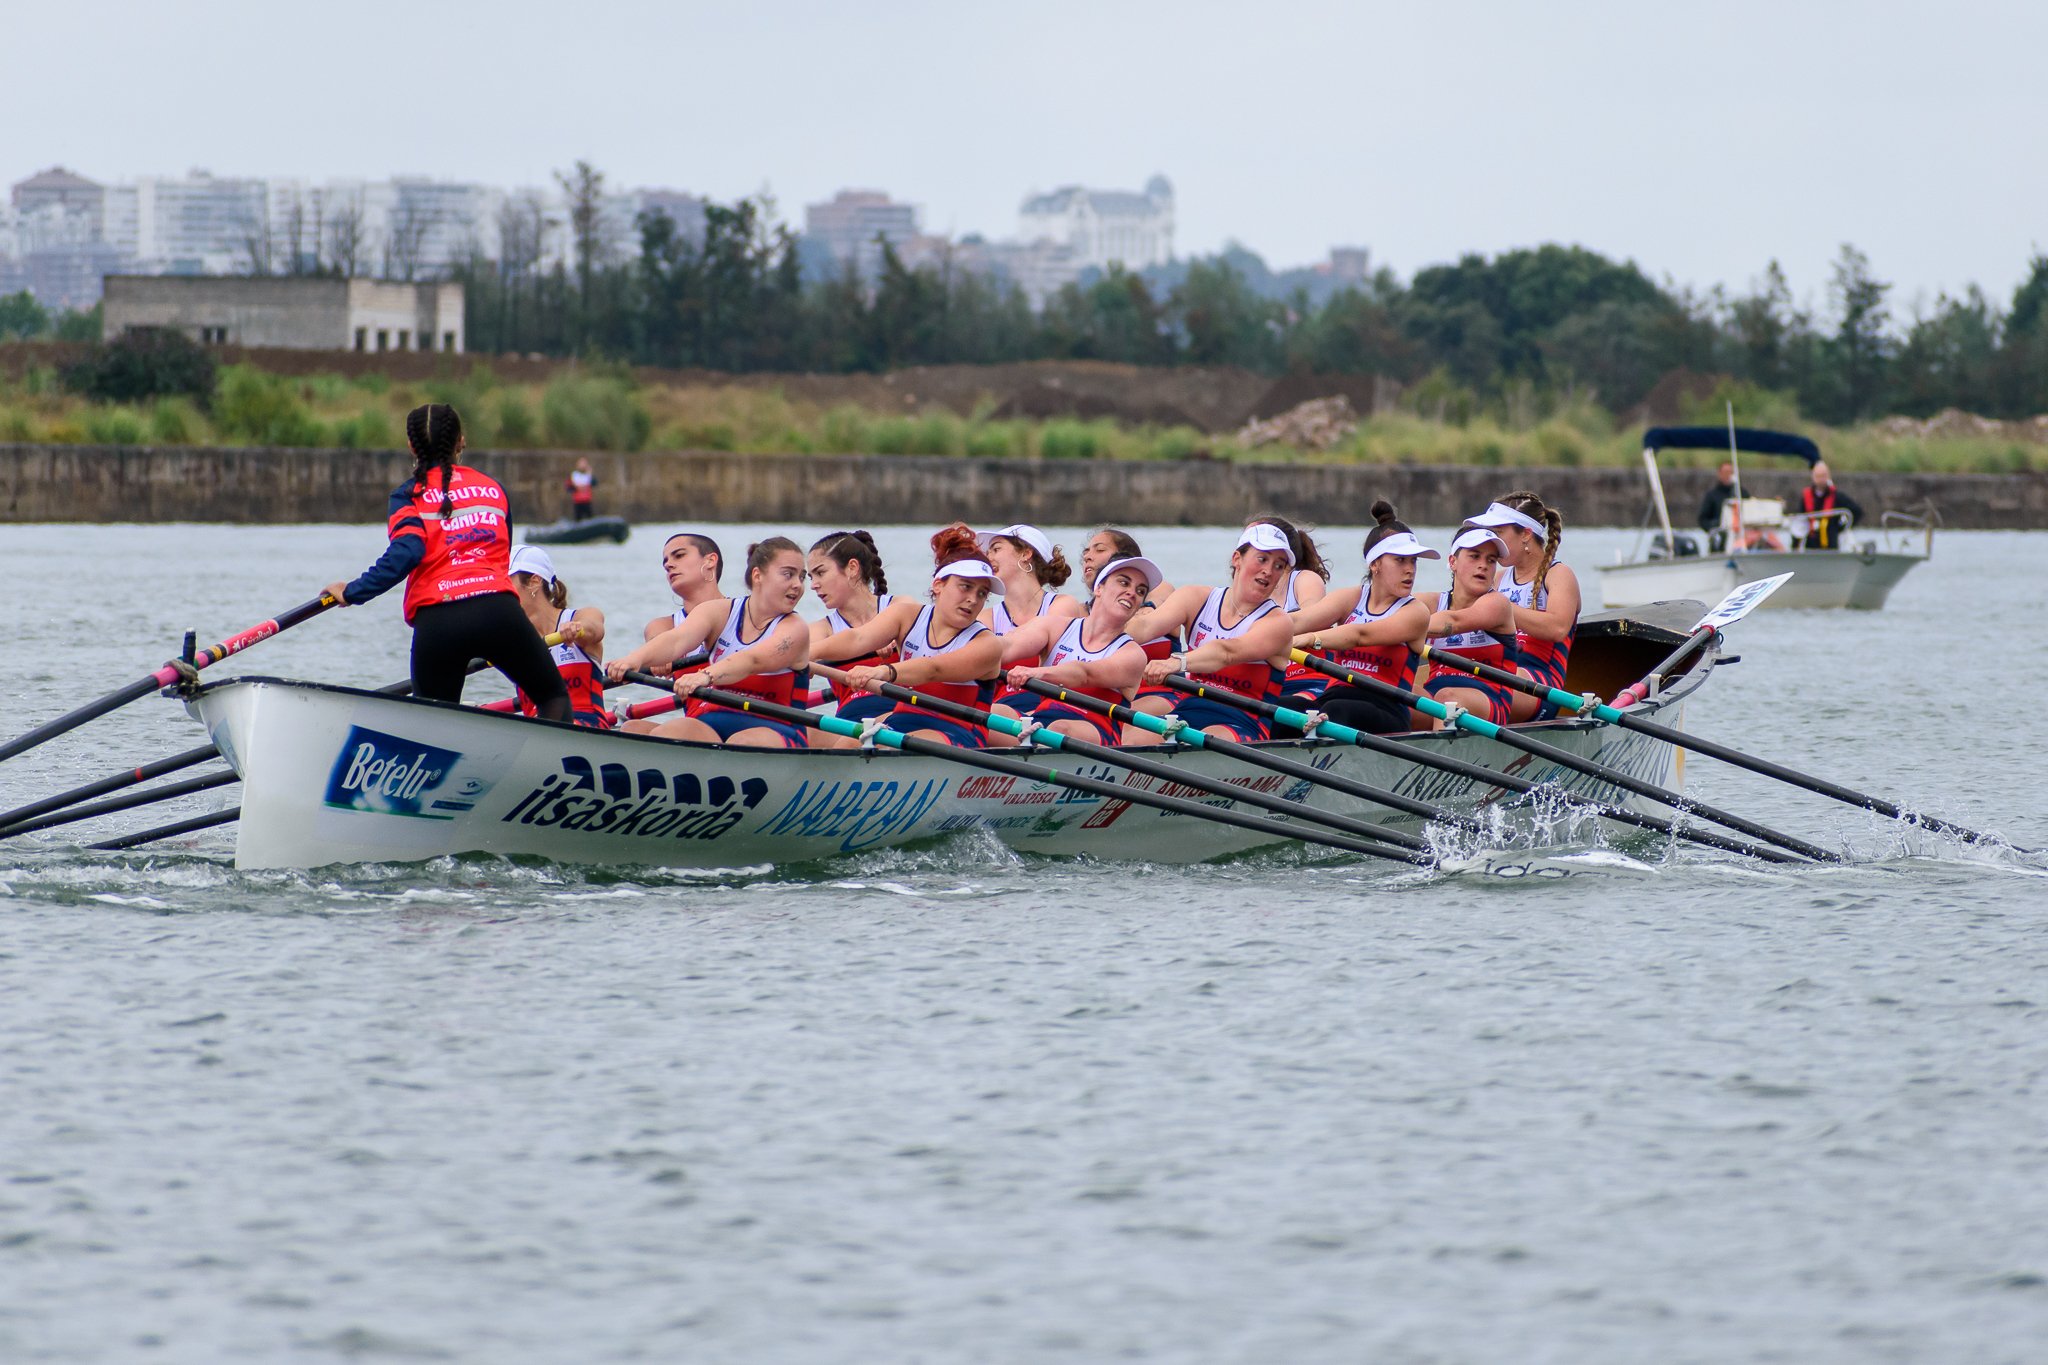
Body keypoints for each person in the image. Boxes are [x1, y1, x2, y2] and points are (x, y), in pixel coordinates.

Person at [319, 403, 569, 721]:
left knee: (435, 723)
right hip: (498, 612)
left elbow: (407, 552)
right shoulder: (493, 489)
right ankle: (553, 754)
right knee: (553, 696)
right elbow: (502, 555)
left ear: (411, 446)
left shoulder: (408, 496)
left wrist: (353, 591)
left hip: (439, 622)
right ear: (461, 441)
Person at [809, 524, 1005, 748]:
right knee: (845, 746)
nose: (973, 599)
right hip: (903, 719)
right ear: (938, 585)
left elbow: (933, 669)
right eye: (965, 587)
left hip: (956, 731)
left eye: (982, 593)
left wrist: (882, 671)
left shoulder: (987, 644)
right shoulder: (907, 615)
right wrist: (806, 654)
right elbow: (857, 638)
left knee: (882, 745)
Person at [605, 538, 811, 747]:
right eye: (788, 574)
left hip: (776, 729)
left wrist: (705, 676)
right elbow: (676, 640)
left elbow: (753, 660)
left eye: (802, 577)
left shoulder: (795, 629)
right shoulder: (719, 611)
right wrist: (634, 660)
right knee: (644, 729)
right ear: (757, 575)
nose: (798, 585)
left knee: (741, 741)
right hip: (711, 724)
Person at [1119, 523, 1297, 744]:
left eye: (1279, 566)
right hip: (1188, 711)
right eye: (1262, 559)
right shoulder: (1195, 598)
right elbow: (1144, 627)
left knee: (1203, 740)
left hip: (1243, 721)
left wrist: (1176, 662)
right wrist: (1100, 634)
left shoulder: (1278, 622)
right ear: (1237, 559)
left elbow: (1227, 652)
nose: (1269, 571)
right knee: (1129, 737)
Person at [1288, 501, 1436, 735]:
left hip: (1386, 708)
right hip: (1334, 698)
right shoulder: (1350, 597)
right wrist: (1252, 631)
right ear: (1375, 564)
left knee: (1336, 710)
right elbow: (1298, 621)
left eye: (1413, 560)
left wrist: (1308, 639)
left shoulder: (1415, 612)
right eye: (1400, 560)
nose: (1410, 569)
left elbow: (1359, 635)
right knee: (1285, 707)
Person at [988, 555, 1157, 745]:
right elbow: (1008, 645)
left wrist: (1036, 672)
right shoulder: (1055, 626)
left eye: (1140, 591)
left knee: (1060, 729)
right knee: (993, 712)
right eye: (1124, 583)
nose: (1132, 593)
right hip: (1042, 721)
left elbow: (1084, 674)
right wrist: (972, 649)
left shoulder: (1132, 655)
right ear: (1099, 588)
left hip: (1095, 731)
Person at [1467, 491, 1580, 723]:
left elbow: (1557, 628)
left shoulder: (1558, 575)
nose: (1493, 542)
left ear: (1526, 535)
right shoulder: (1498, 579)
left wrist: (1501, 609)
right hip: (1500, 671)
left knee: (1471, 683)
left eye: (1498, 532)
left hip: (1542, 687)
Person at [1416, 526, 1518, 728]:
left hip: (1489, 698)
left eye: (1491, 560)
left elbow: (1453, 622)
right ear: (1452, 562)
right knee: (1389, 690)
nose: (1483, 565)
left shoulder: (1498, 604)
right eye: (1475, 556)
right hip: (1435, 693)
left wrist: (1397, 628)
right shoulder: (1431, 602)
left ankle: (1439, 748)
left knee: (1447, 698)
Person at [1080, 526, 1181, 729]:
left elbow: (1142, 621)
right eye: (1086, 552)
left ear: (1126, 557)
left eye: (1099, 550)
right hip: (1112, 698)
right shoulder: (1080, 611)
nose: (1088, 557)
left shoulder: (1159, 590)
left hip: (1161, 694)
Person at [506, 545, 610, 728]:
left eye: (506, 581)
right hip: (536, 730)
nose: (499, 591)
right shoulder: (511, 637)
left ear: (534, 582)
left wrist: (577, 629)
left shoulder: (579, 617)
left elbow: (595, 628)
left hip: (587, 726)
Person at [807, 530, 897, 724]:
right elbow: (798, 656)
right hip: (849, 721)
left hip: (902, 714)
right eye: (810, 577)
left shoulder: (899, 608)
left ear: (852, 568)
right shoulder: (820, 630)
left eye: (820, 573)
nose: (813, 585)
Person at [1249, 514, 1334, 708]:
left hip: (1309, 681)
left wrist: (1260, 630)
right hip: (1268, 685)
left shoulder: (1304, 579)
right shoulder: (1249, 592)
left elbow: (1314, 615)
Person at [980, 524, 1083, 644]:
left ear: (1025, 554)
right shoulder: (984, 618)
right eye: (987, 553)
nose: (988, 558)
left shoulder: (1063, 605)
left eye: (996, 549)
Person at [643, 531, 725, 642]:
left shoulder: (744, 612)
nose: (668, 565)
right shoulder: (662, 627)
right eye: (665, 562)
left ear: (710, 561)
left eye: (679, 555)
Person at [1797, 460, 1864, 550]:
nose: (1821, 479)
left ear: (1828, 476)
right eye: (1818, 476)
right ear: (1813, 477)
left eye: (1823, 476)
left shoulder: (1837, 497)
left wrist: (1841, 527)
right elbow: (1798, 522)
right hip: (1811, 546)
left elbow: (1857, 511)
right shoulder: (1806, 497)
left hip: (1830, 545)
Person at [1697, 461, 1736, 550]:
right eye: (1725, 472)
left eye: (1730, 472)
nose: (1728, 475)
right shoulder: (1712, 496)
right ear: (1719, 474)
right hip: (1720, 539)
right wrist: (1715, 527)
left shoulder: (1741, 493)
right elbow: (1703, 519)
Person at [566, 456, 597, 522]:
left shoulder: (589, 475)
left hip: (587, 502)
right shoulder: (574, 475)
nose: (583, 465)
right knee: (577, 520)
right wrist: (576, 488)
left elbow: (594, 483)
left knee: (590, 520)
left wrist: (590, 474)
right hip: (577, 502)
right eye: (581, 463)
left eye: (584, 463)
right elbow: (568, 488)